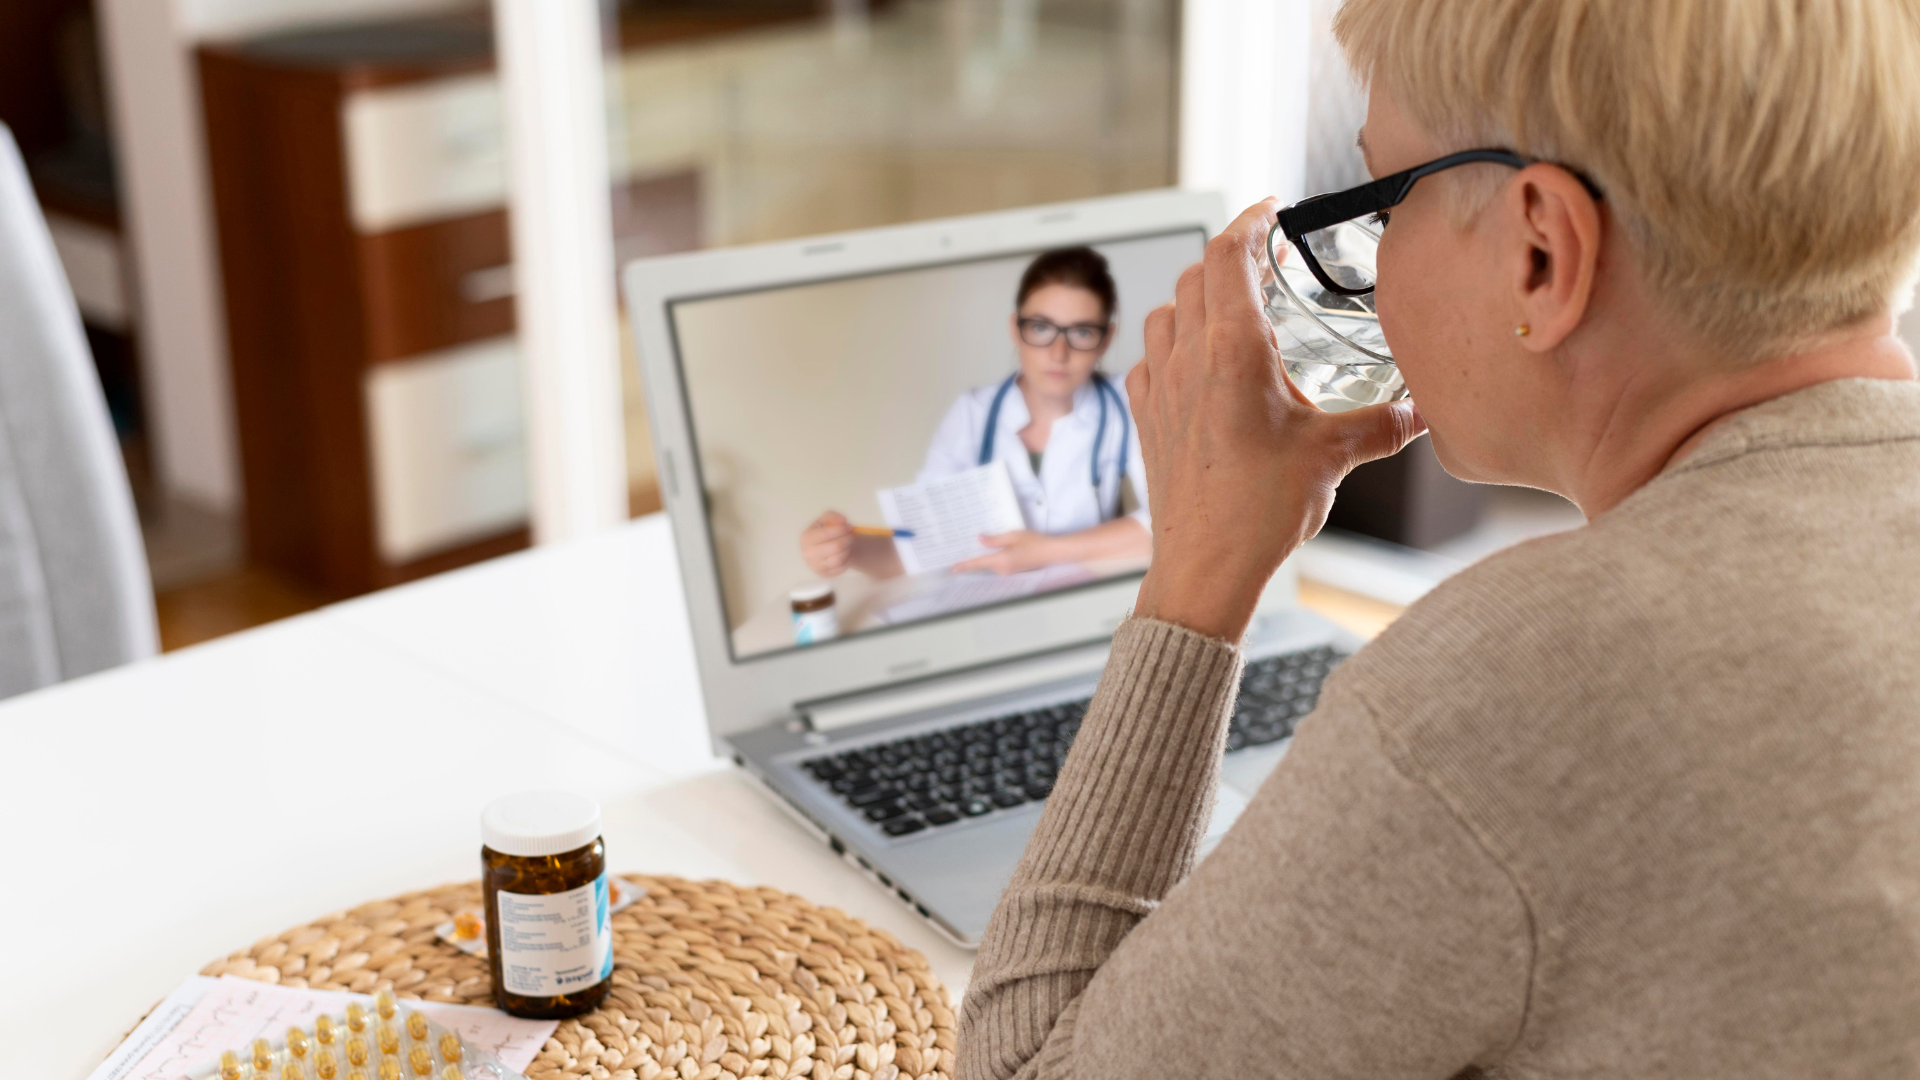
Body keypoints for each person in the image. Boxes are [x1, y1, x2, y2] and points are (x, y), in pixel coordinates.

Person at [957, 1, 1920, 1077]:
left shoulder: (1533, 674)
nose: (1371, 268)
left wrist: (1199, 569)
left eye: (1384, 204)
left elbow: (1026, 1068)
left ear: (1544, 254)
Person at [799, 247, 1151, 580]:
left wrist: (1044, 551)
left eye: (1082, 331)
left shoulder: (1131, 399)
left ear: (1106, 339)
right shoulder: (973, 414)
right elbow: (924, 546)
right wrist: (846, 549)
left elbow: (1173, 526)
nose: (1059, 352)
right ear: (1016, 329)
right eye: (1042, 328)